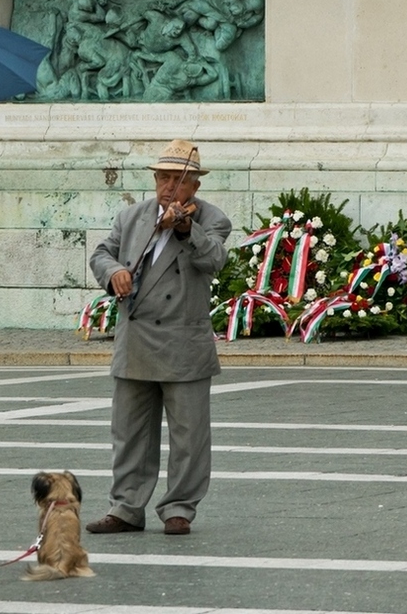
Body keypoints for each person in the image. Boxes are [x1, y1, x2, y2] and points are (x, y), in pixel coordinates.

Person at [86, 139, 231, 536]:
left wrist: (186, 228)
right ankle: (126, 506)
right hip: (135, 338)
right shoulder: (131, 217)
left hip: (183, 340)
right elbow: (101, 253)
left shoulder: (212, 219)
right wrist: (113, 271)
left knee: (189, 434)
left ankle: (179, 507)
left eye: (178, 180)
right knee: (129, 431)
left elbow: (214, 258)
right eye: (163, 178)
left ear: (194, 187)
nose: (169, 187)